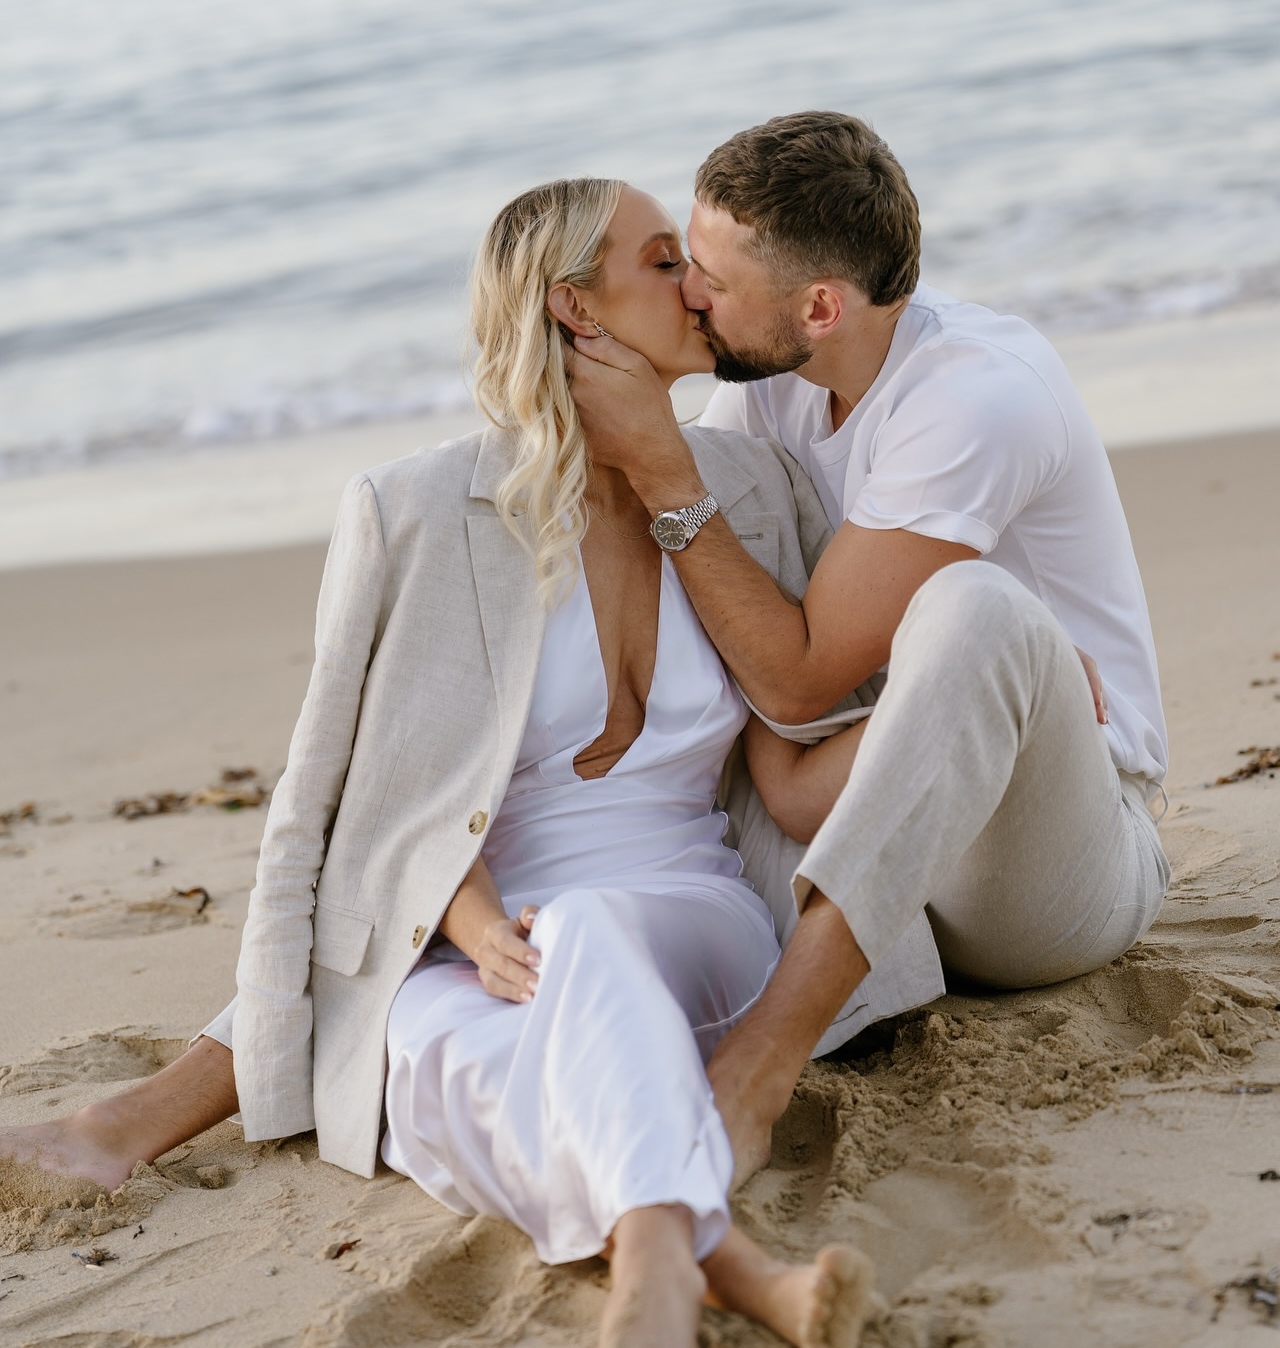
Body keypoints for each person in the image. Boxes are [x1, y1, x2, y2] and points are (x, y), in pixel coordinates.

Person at [0, 179, 874, 1348]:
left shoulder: (757, 489)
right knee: (434, 1055)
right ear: (576, 308)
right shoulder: (414, 510)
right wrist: (467, 916)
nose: (701, 286)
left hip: (690, 916)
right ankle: (733, 1272)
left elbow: (820, 699)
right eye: (665, 261)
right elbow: (358, 798)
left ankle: (663, 1283)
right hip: (481, 949)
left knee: (590, 933)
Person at [565, 111, 1173, 1186]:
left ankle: (761, 1066)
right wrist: (800, 742)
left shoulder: (973, 399)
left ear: (819, 306)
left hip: (1048, 868)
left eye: (711, 276)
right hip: (877, 819)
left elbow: (794, 678)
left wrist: (666, 473)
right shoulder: (775, 379)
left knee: (978, 614)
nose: (689, 293)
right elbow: (752, 644)